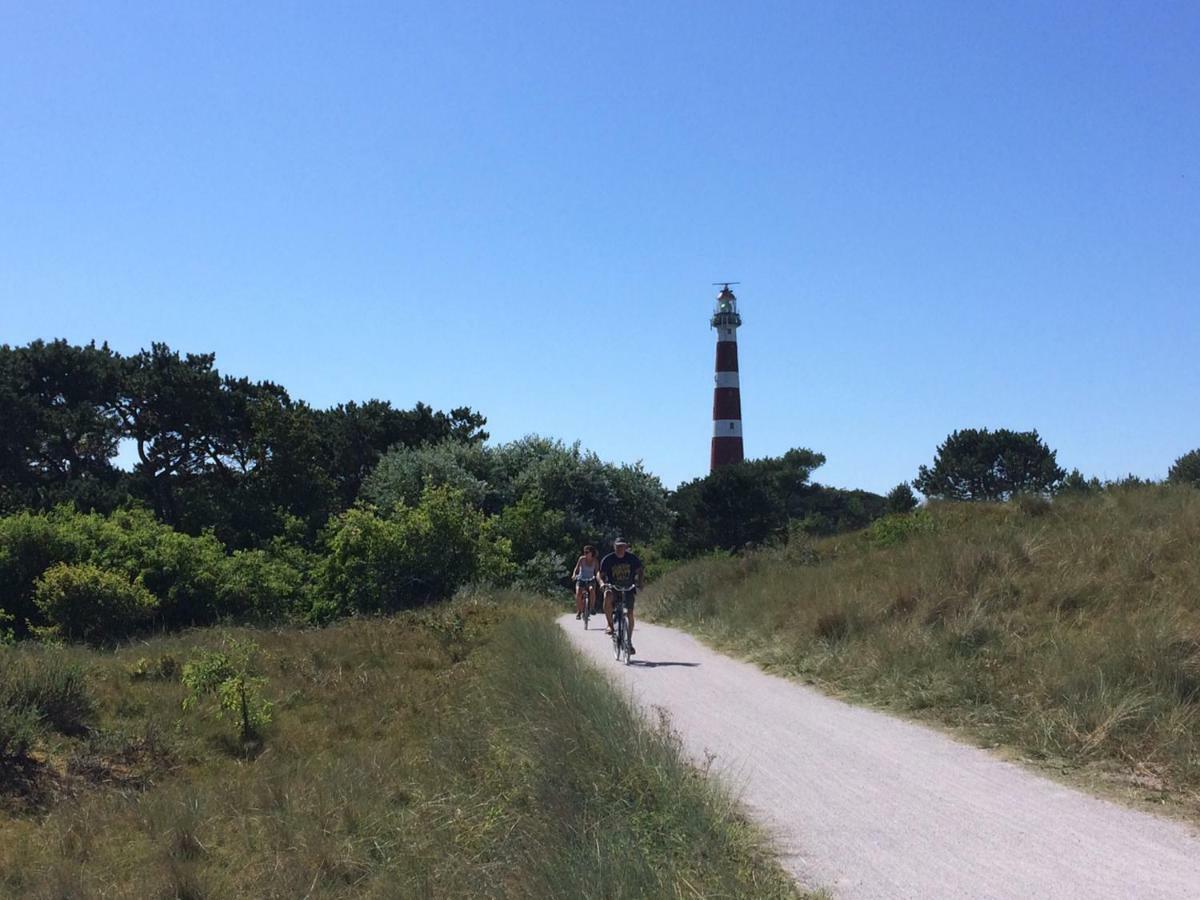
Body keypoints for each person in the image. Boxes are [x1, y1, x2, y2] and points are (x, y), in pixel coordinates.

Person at [598, 537, 644, 653]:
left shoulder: (632, 558)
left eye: (622, 546)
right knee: (608, 596)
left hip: (628, 588)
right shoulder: (608, 559)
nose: (620, 548)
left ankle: (629, 641)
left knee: (630, 613)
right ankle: (610, 625)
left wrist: (640, 583)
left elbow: (640, 570)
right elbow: (600, 574)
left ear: (626, 547)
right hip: (614, 587)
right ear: (614, 547)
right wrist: (602, 583)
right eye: (618, 546)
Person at [571, 545, 599, 619]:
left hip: (591, 579)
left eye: (587, 552)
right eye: (584, 552)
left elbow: (597, 572)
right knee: (578, 593)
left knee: (592, 590)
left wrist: (598, 578)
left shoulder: (595, 561)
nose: (585, 554)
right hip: (581, 578)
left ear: (591, 553)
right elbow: (576, 568)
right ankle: (579, 611)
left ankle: (592, 608)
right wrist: (574, 575)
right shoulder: (581, 559)